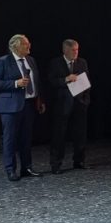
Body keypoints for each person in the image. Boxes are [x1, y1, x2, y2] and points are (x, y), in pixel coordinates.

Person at [0, 34, 45, 181]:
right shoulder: (3, 61)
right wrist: (15, 83)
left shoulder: (31, 60)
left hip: (29, 104)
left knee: (26, 138)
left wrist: (40, 100)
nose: (29, 46)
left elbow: (36, 82)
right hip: (10, 107)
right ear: (16, 46)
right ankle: (10, 169)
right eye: (25, 44)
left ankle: (27, 167)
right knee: (10, 139)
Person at [48, 39, 91, 173]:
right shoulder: (55, 63)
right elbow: (51, 81)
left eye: (77, 50)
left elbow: (87, 81)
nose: (75, 52)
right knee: (59, 135)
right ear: (65, 50)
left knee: (80, 134)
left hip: (79, 103)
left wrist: (86, 100)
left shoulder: (82, 62)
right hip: (62, 104)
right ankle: (56, 164)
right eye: (73, 50)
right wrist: (65, 79)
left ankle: (79, 161)